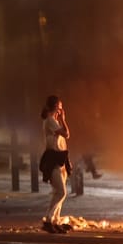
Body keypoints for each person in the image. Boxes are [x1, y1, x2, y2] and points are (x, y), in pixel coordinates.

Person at [38, 95, 72, 234]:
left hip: (60, 158)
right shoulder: (50, 121)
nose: (62, 109)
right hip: (53, 159)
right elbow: (67, 134)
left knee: (58, 192)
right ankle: (48, 220)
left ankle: (55, 221)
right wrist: (63, 120)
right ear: (55, 107)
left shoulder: (54, 121)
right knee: (61, 192)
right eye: (60, 106)